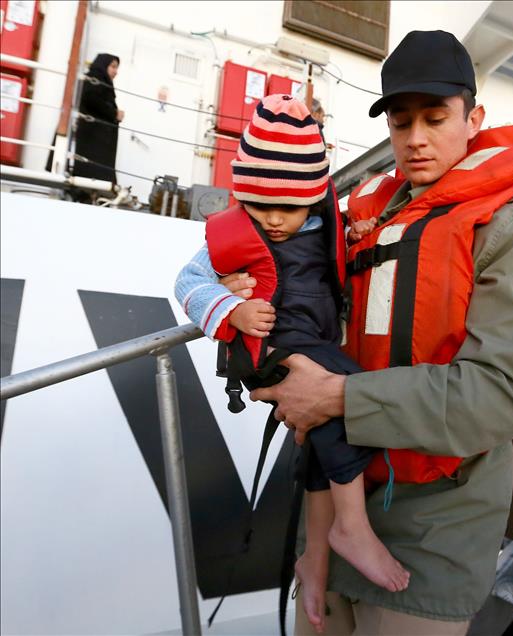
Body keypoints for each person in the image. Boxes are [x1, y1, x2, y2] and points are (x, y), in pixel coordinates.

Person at [228, 30, 513, 636]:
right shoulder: (367, 215)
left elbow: (503, 394)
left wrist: (333, 398)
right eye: (401, 122)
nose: (415, 139)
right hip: (333, 511)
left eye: (435, 119)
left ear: (474, 118)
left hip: (434, 527)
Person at [174, 95, 410, 634]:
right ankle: (351, 527)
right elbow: (187, 285)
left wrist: (353, 241)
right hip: (270, 348)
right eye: (260, 207)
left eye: (291, 207)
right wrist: (229, 305)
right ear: (242, 196)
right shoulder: (232, 235)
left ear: (313, 196)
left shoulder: (323, 222)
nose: (276, 221)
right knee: (345, 398)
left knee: (320, 447)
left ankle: (318, 557)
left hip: (314, 341)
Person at [72, 53, 124, 186]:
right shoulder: (95, 78)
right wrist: (114, 113)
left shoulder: (101, 81)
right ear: (103, 64)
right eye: (113, 66)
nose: (115, 72)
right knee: (94, 174)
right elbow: (91, 98)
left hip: (95, 140)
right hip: (92, 140)